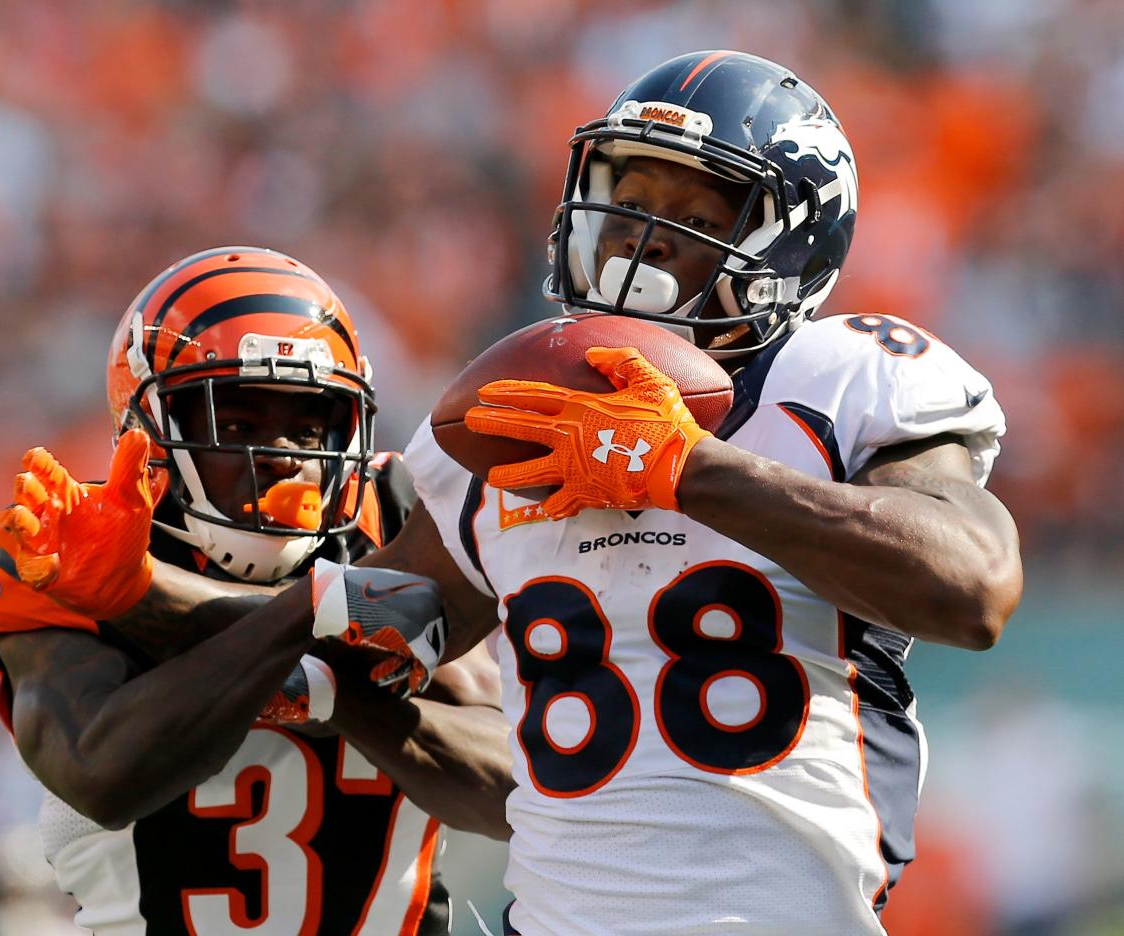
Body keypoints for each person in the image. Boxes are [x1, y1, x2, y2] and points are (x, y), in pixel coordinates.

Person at [383, 51, 1021, 934]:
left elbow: (975, 587)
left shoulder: (836, 378)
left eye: (690, 214)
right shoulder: (514, 404)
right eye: (630, 201)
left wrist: (687, 469)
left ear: (784, 249)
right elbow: (381, 637)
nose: (640, 236)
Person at [0, 247, 513, 935]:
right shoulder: (61, 539)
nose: (283, 454)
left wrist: (321, 689)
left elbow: (507, 791)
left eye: (310, 425)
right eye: (237, 424)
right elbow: (103, 774)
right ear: (151, 432)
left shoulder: (391, 517)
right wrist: (315, 616)